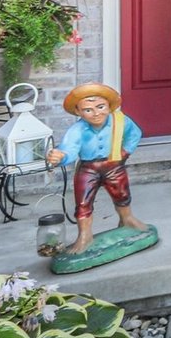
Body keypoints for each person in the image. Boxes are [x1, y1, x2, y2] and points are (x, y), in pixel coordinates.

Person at [45, 83, 146, 255]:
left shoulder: (120, 121)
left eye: (101, 107)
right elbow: (69, 148)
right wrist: (61, 156)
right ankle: (85, 235)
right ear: (78, 112)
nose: (96, 113)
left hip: (113, 164)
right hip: (88, 168)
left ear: (109, 106)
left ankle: (127, 219)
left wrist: (125, 151)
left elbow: (135, 134)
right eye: (88, 110)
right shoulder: (77, 130)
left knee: (122, 194)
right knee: (83, 201)